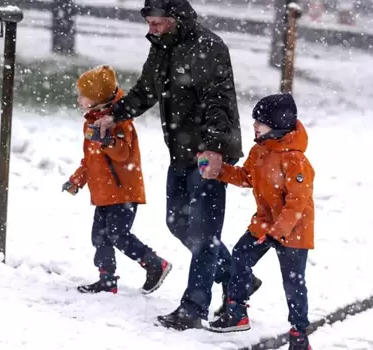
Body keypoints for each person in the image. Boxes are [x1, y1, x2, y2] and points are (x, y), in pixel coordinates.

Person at [93, 0, 262, 330]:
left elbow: (219, 101)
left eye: (156, 23)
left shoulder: (208, 47)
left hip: (207, 154)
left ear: (176, 19)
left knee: (205, 233)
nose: (151, 29)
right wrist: (115, 115)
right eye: (149, 23)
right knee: (177, 223)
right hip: (180, 152)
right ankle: (235, 277)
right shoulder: (161, 47)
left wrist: (213, 149)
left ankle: (194, 308)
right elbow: (145, 90)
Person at [204, 93, 314, 350]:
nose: (254, 124)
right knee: (240, 255)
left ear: (277, 124)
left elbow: (297, 202)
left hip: (294, 230)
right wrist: (219, 170)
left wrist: (279, 231)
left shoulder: (295, 160)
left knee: (293, 282)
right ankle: (236, 312)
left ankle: (299, 335)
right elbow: (246, 177)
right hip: (265, 223)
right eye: (255, 119)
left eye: (260, 121)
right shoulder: (260, 150)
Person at [63, 64, 173, 296]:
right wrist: (77, 180)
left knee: (118, 234)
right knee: (99, 236)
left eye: (84, 95)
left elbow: (123, 154)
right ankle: (107, 279)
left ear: (98, 99)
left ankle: (154, 263)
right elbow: (90, 160)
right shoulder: (91, 123)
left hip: (123, 192)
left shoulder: (120, 123)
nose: (79, 99)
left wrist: (107, 141)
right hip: (104, 193)